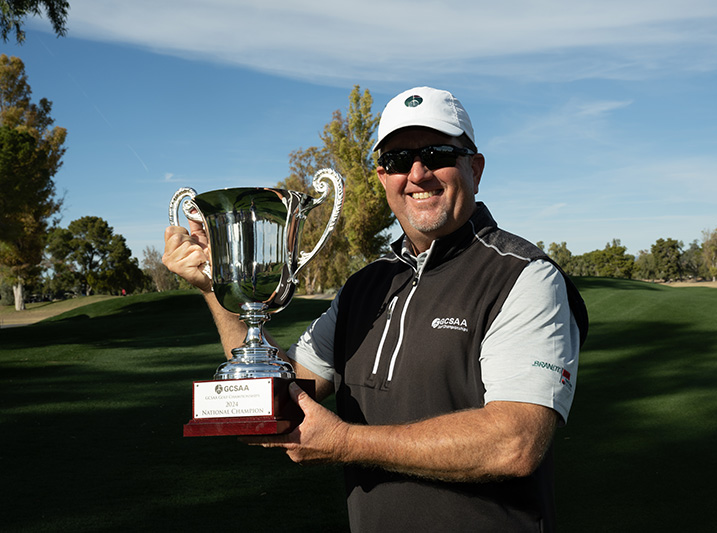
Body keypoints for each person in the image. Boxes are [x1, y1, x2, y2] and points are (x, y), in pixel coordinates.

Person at [163, 86, 588, 532]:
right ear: (383, 177)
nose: (418, 174)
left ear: (475, 168)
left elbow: (515, 442)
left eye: (438, 153)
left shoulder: (522, 276)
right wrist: (217, 285)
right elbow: (276, 389)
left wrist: (346, 443)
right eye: (399, 161)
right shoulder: (365, 287)